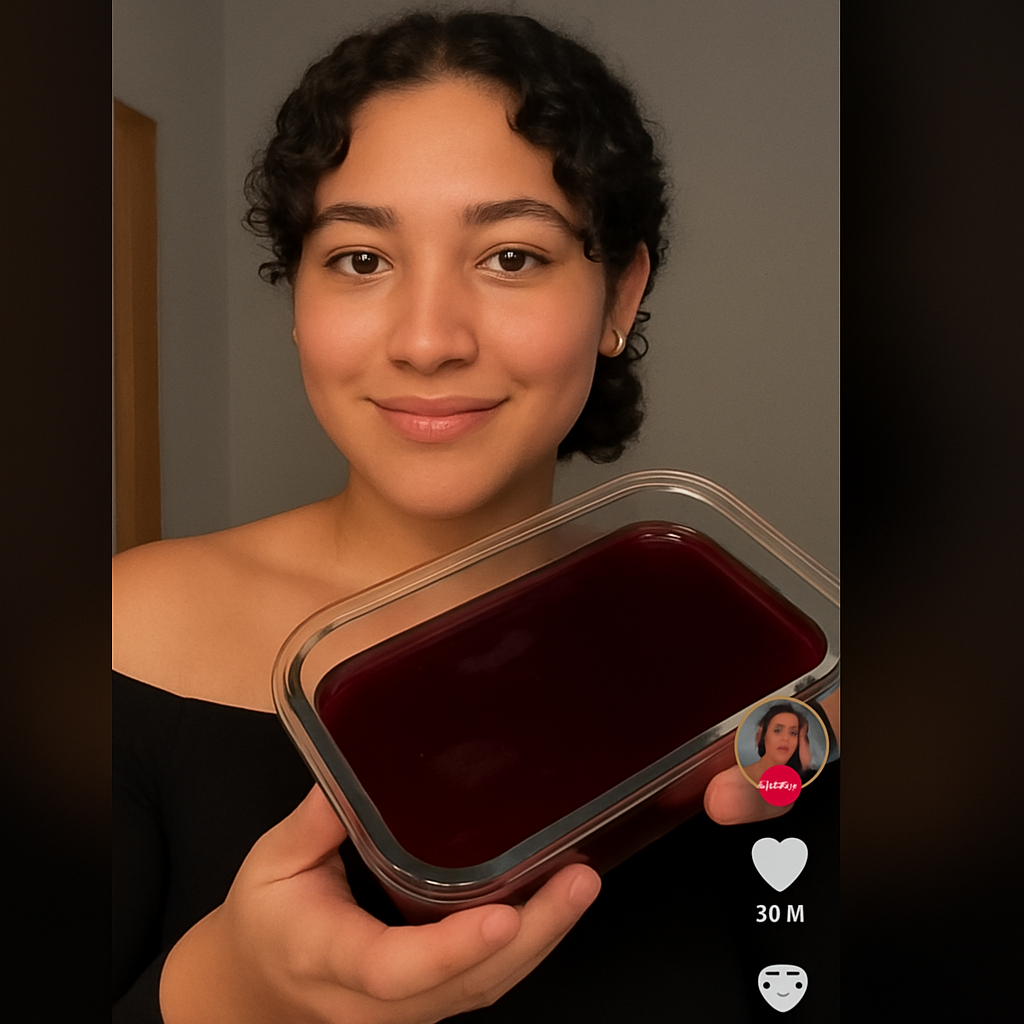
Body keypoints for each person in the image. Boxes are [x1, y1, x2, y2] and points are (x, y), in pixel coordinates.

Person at [113, 10, 837, 1021]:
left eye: (512, 257)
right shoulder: (126, 628)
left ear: (618, 295)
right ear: (298, 296)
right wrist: (230, 991)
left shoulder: (738, 664)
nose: (427, 340)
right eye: (361, 259)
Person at [743, 703, 815, 782]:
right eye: (777, 730)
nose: (786, 738)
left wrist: (805, 765)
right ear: (762, 735)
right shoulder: (740, 777)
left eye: (793, 733)